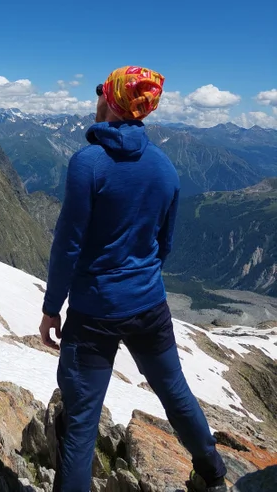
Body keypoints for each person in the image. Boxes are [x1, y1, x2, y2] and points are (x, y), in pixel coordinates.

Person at [39, 66, 227, 492]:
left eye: (102, 91)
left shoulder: (87, 164)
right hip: (149, 306)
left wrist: (52, 308)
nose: (97, 97)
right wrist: (138, 277)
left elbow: (68, 245)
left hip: (93, 314)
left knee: (83, 424)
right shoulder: (165, 168)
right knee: (175, 392)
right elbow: (165, 244)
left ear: (112, 100)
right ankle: (213, 473)